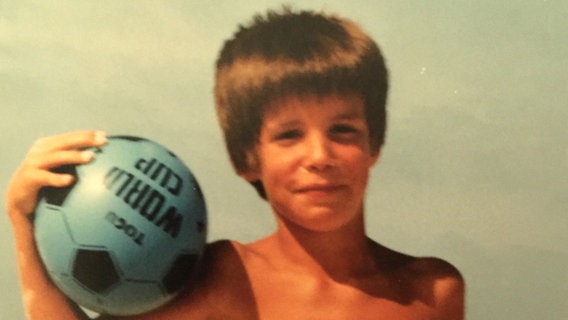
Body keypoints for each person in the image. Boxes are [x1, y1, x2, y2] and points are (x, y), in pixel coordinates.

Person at [6, 8, 465, 320]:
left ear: (375, 143)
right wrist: (21, 220)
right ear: (247, 159)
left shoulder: (434, 291)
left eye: (343, 130)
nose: (320, 157)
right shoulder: (222, 278)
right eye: (289, 135)